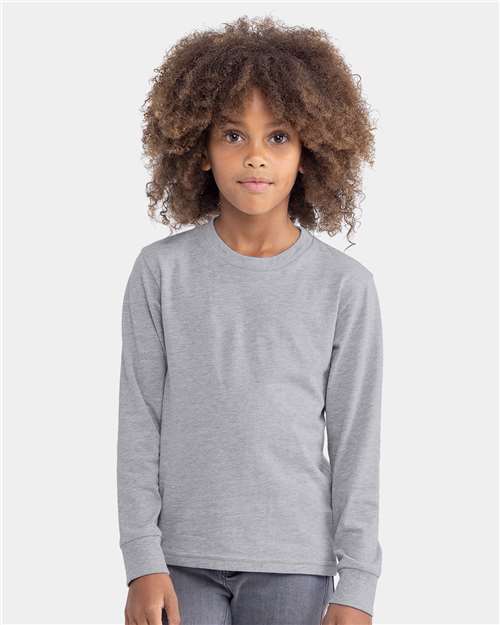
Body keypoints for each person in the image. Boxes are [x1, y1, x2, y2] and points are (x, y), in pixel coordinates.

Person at [117, 15, 383, 625]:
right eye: (233, 135)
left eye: (279, 136)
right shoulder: (161, 272)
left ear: (310, 151)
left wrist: (357, 587)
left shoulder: (345, 287)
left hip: (294, 562)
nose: (256, 157)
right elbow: (139, 421)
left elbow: (357, 442)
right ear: (199, 149)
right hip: (179, 562)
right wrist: (141, 560)